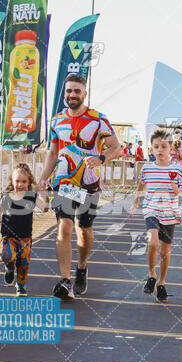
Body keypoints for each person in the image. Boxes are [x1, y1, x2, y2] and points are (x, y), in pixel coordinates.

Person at [38, 73, 121, 301]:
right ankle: (64, 281)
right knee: (64, 226)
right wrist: (43, 179)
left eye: (76, 91)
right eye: (69, 91)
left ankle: (82, 267)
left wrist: (102, 158)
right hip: (63, 183)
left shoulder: (98, 119)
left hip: (89, 185)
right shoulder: (56, 121)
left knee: (83, 231)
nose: (72, 95)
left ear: (84, 94)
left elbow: (117, 147)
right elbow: (53, 153)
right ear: (65, 94)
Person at [130, 130, 182, 303]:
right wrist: (135, 202)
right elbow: (141, 183)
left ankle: (162, 284)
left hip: (169, 213)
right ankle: (151, 275)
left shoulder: (177, 169)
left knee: (164, 252)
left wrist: (178, 191)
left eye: (164, 146)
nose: (160, 150)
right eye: (156, 147)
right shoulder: (147, 167)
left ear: (171, 148)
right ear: (151, 149)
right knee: (153, 242)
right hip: (151, 209)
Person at [0, 163, 48, 296]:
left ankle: (21, 286)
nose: (20, 184)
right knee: (8, 256)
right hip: (9, 236)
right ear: (12, 181)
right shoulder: (7, 196)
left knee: (24, 263)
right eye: (17, 181)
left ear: (29, 182)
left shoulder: (32, 197)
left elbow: (45, 208)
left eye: (24, 182)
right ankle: (9, 268)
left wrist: (44, 193)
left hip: (25, 237)